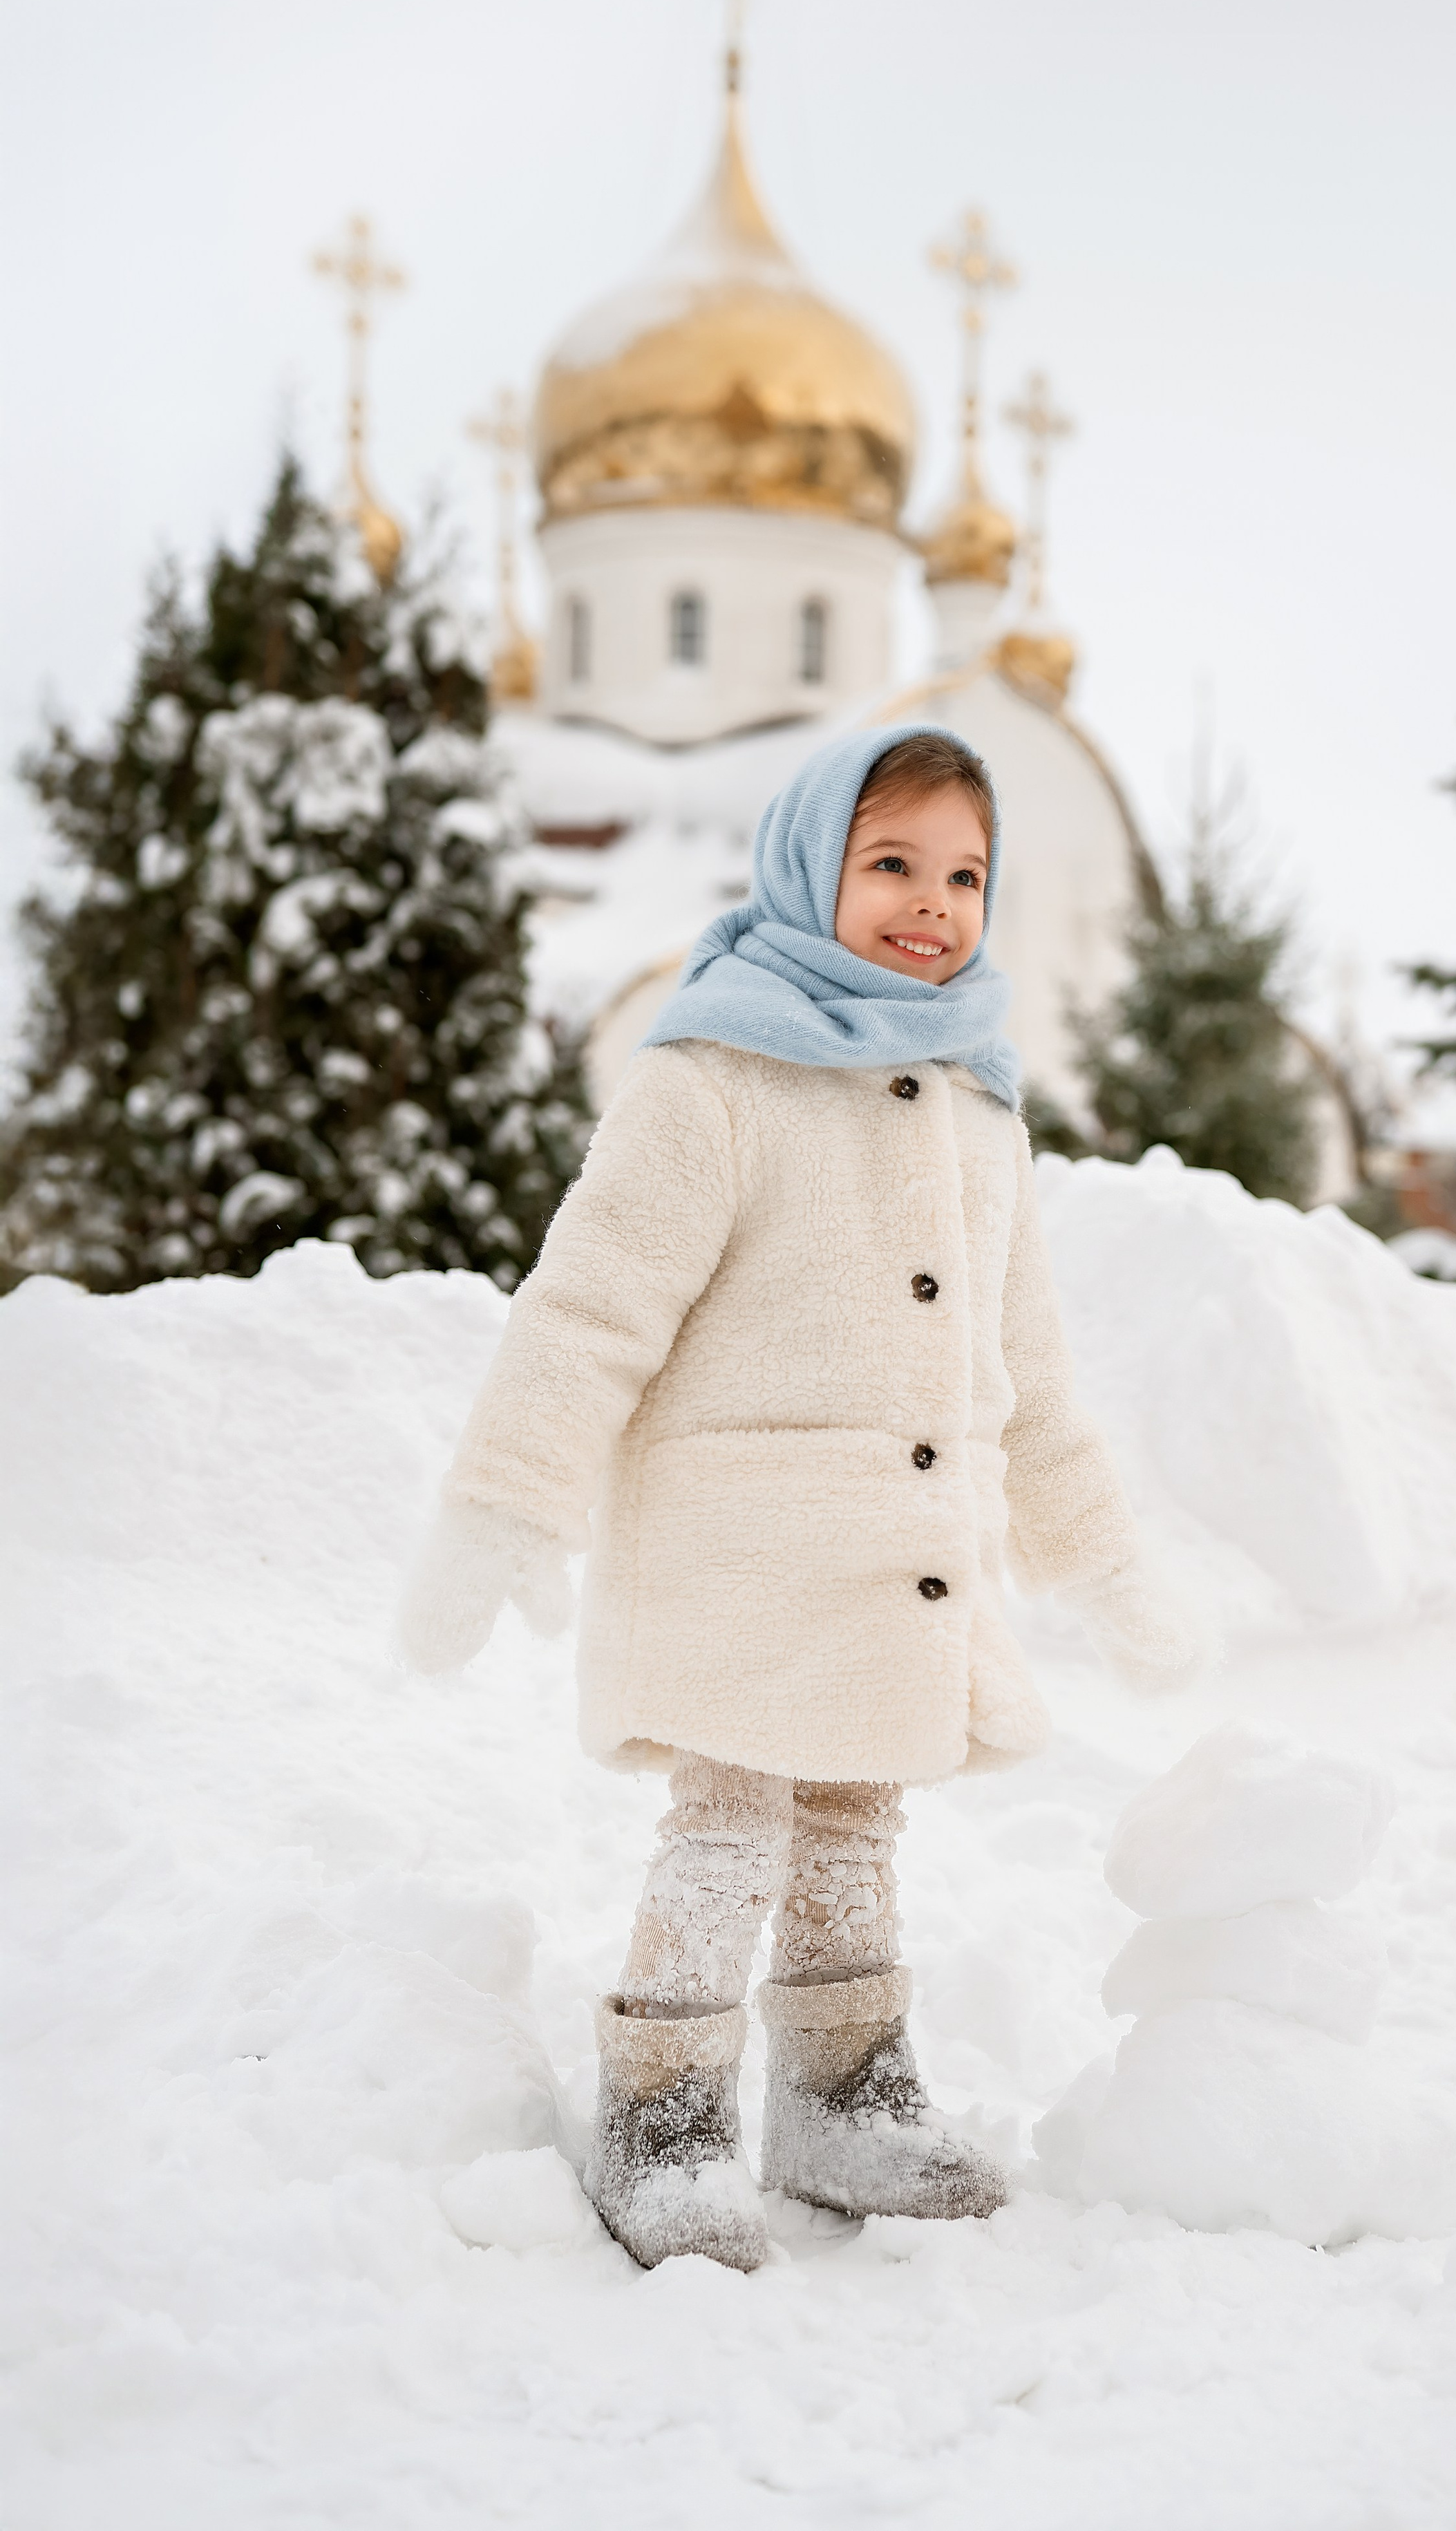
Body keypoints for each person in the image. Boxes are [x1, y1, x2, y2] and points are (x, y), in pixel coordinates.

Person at [399, 720, 1208, 2273]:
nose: (931, 902)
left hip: (898, 1564)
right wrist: (505, 1508)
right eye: (888, 862)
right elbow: (586, 1313)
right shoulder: (713, 1080)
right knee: (728, 1829)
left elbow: (1025, 1375)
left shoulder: (976, 1113)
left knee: (854, 1822)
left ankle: (843, 2096)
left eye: (962, 873)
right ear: (802, 866)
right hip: (739, 1553)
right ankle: (665, 2117)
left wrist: (1101, 1563)